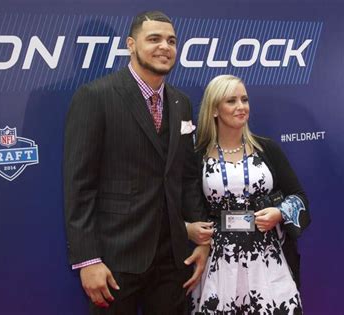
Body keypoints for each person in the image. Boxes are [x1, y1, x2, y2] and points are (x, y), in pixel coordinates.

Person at [63, 10, 210, 315]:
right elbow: (79, 186)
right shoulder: (96, 97)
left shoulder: (181, 102)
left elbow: (187, 177)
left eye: (171, 41)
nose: (164, 47)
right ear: (131, 44)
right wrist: (88, 260)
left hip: (173, 260)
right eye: (154, 39)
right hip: (116, 260)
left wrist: (201, 242)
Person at [189, 75, 311, 314]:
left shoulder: (267, 149)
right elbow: (183, 207)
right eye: (231, 101)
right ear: (214, 109)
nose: (241, 106)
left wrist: (279, 212)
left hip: (268, 258)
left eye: (244, 99)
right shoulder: (197, 156)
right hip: (219, 261)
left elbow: (299, 196)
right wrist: (188, 228)